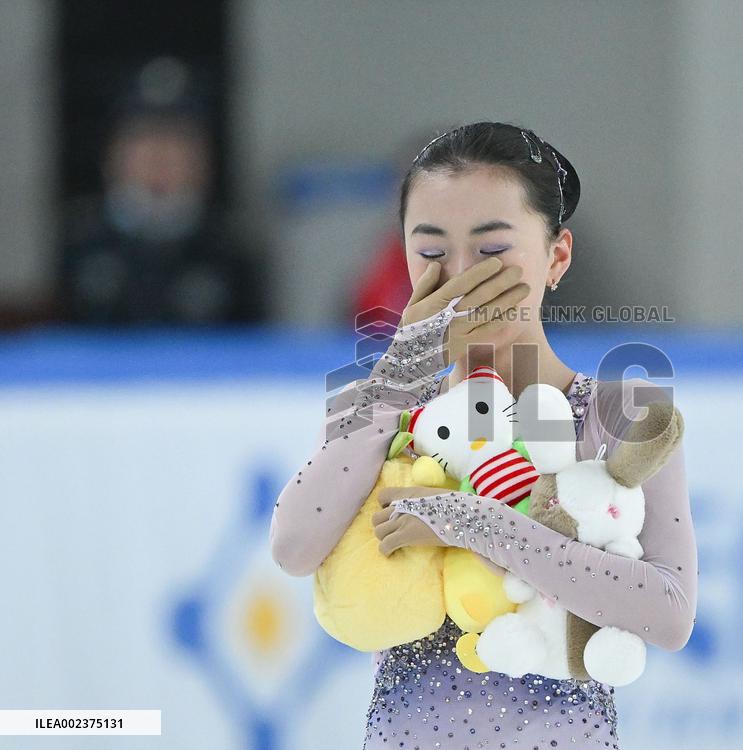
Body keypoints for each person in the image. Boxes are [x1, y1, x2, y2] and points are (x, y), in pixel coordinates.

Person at [269, 121, 698, 747]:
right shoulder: (376, 409)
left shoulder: (618, 414)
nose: (461, 276)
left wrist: (467, 521)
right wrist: (400, 375)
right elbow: (293, 547)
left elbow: (669, 613)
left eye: (492, 250)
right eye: (432, 250)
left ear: (557, 256)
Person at [56, 57, 266, 326]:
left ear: (204, 159)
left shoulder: (232, 253)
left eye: (177, 140)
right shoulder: (82, 247)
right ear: (112, 155)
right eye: (142, 139)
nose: (159, 156)